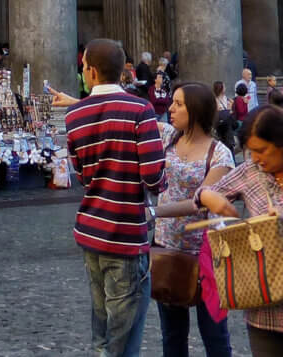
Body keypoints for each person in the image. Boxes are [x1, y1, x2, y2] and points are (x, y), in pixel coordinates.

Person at [60, 38, 165, 357]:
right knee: (125, 330)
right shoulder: (139, 110)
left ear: (90, 71)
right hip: (125, 232)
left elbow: (82, 175)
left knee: (102, 320)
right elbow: (153, 176)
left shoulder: (73, 116)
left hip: (90, 228)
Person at [198, 106, 283, 357]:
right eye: (250, 151)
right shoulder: (250, 173)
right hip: (265, 306)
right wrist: (208, 196)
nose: (255, 158)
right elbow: (202, 196)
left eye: (261, 150)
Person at [150, 82, 234, 357]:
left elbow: (201, 202)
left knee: (215, 337)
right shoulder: (168, 138)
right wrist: (76, 101)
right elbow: (133, 117)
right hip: (168, 248)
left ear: (196, 110)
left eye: (179, 103)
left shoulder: (219, 153)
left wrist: (154, 212)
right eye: (172, 102)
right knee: (172, 337)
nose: (170, 109)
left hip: (207, 256)